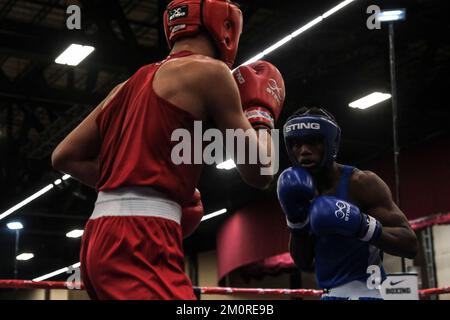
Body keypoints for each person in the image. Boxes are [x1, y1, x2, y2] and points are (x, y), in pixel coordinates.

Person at [51, 0, 285, 300]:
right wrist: (260, 114)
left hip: (99, 236)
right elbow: (261, 171)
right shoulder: (212, 73)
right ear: (226, 28)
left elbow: (64, 156)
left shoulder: (125, 86)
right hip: (140, 239)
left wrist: (140, 183)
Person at [277, 107, 418, 300]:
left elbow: (410, 245)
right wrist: (296, 221)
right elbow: (304, 263)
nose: (304, 151)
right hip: (329, 296)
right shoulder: (297, 192)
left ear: (331, 143)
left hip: (370, 294)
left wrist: (362, 226)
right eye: (296, 144)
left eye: (313, 142)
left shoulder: (361, 183)